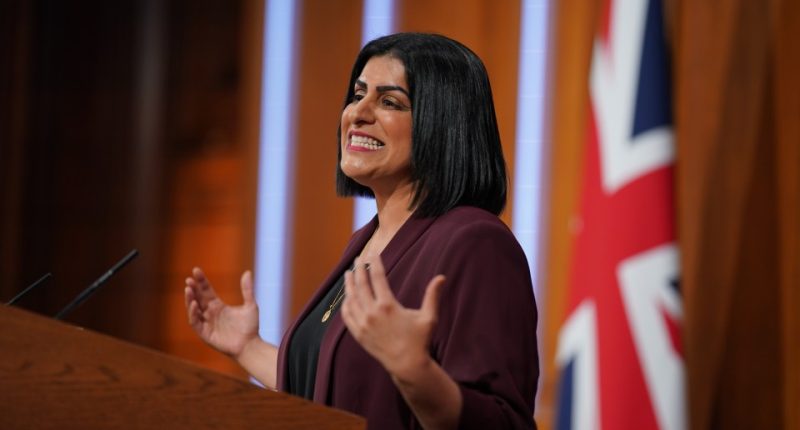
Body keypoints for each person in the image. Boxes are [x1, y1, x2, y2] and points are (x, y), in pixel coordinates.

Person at [184, 32, 539, 429]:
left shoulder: (476, 243)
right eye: (357, 95)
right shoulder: (365, 242)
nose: (358, 113)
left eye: (389, 102)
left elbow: (504, 422)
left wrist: (417, 374)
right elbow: (336, 391)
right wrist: (246, 347)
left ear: (441, 125)